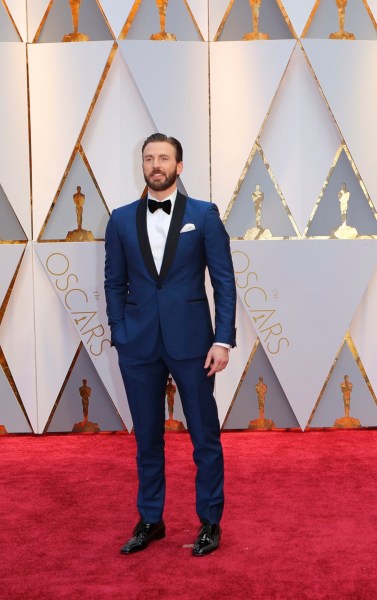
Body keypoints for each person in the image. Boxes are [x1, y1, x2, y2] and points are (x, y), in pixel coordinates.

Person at [104, 133, 236, 557]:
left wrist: (222, 339)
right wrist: (120, 332)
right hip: (138, 345)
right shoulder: (120, 219)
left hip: (194, 343)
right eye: (148, 158)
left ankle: (210, 522)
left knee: (204, 435)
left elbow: (224, 282)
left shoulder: (205, 215)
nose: (155, 165)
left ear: (180, 166)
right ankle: (150, 519)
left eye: (163, 158)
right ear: (141, 166)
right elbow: (113, 282)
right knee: (146, 437)